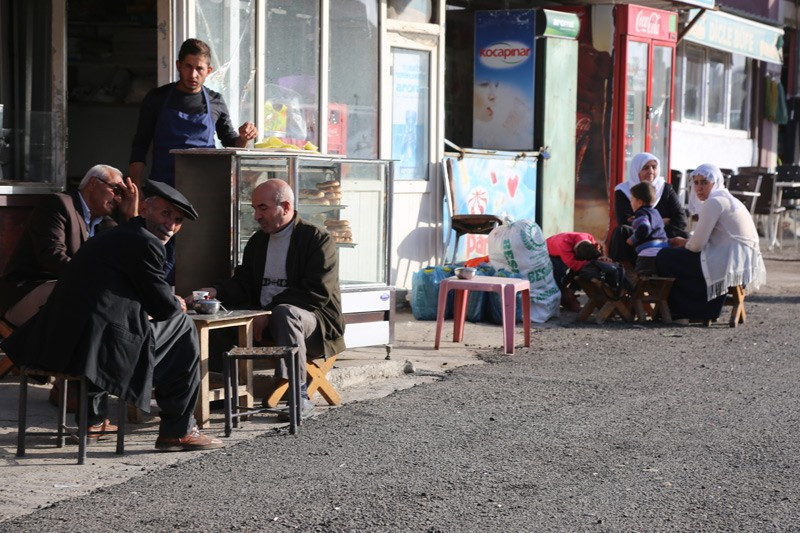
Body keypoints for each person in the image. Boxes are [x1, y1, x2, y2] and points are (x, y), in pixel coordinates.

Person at [1, 181, 223, 451]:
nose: (171, 225)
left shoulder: (112, 235)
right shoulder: (145, 243)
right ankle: (178, 430)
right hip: (93, 350)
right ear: (144, 209)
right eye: (165, 214)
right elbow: (164, 308)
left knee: (110, 326)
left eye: (178, 220)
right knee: (183, 328)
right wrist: (177, 303)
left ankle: (94, 420)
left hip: (58, 343)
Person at [187, 179, 345, 420]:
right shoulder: (258, 241)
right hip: (263, 319)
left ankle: (298, 395)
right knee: (215, 318)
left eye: (263, 208)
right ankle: (226, 393)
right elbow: (244, 283)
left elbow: (316, 291)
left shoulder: (316, 239)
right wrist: (215, 292)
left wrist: (269, 312)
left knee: (285, 312)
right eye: (254, 209)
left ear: (286, 207)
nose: (257, 216)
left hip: (315, 325)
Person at [129, 38, 258, 283]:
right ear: (178, 65)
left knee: (197, 252)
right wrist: (136, 191)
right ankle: (157, 297)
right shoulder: (157, 98)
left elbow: (230, 142)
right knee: (157, 245)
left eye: (199, 68)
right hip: (163, 187)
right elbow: (140, 143)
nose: (193, 74)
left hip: (203, 193)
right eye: (188, 66)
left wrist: (244, 137)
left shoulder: (216, 101)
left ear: (209, 71)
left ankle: (193, 301)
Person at [0, 165, 138, 328]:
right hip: (28, 291)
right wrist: (96, 279)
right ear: (93, 182)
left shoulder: (107, 225)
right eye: (116, 190)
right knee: (91, 293)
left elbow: (128, 262)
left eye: (122, 194)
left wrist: (132, 217)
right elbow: (51, 255)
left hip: (75, 294)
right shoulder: (58, 204)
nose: (118, 198)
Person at [656, 164, 766, 323]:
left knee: (665, 257)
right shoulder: (728, 199)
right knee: (680, 257)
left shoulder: (714, 202)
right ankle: (699, 309)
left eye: (704, 182)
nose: (699, 188)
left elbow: (696, 246)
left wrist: (683, 243)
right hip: (741, 266)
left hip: (729, 265)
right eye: (696, 182)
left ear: (715, 183)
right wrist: (686, 242)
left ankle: (684, 311)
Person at [608, 152, 687, 267]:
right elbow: (625, 220)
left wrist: (653, 225)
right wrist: (660, 221)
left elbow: (680, 219)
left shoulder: (665, 188)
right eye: (645, 168)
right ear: (636, 170)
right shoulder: (623, 191)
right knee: (621, 231)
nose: (651, 171)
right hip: (638, 236)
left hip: (662, 235)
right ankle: (624, 270)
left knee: (686, 238)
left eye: (654, 167)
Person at [546, 232, 607, 312]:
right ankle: (562, 296)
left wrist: (602, 258)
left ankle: (569, 293)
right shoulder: (564, 245)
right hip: (551, 254)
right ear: (575, 252)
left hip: (566, 249)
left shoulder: (589, 238)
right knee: (558, 277)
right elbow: (574, 265)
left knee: (585, 270)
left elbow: (598, 250)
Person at [625, 181, 669, 276]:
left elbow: (644, 227)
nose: (630, 202)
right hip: (663, 252)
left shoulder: (640, 213)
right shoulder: (656, 213)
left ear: (639, 202)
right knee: (657, 282)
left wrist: (632, 239)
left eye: (632, 199)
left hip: (648, 255)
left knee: (641, 282)